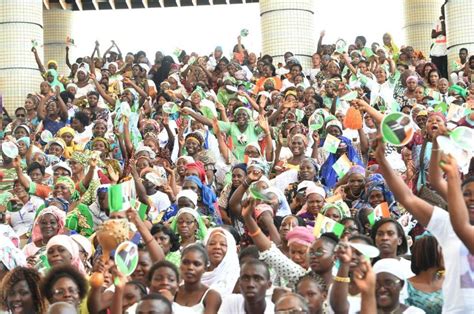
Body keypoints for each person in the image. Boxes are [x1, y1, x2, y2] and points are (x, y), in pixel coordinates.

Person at [374, 134, 474, 312]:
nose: (472, 199)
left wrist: (452, 178)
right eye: (466, 194)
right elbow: (407, 198)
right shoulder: (446, 223)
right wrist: (381, 160)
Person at [173, 244, 222, 313]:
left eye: (196, 264)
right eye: (185, 262)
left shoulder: (211, 296)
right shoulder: (173, 291)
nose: (190, 267)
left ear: (205, 268)